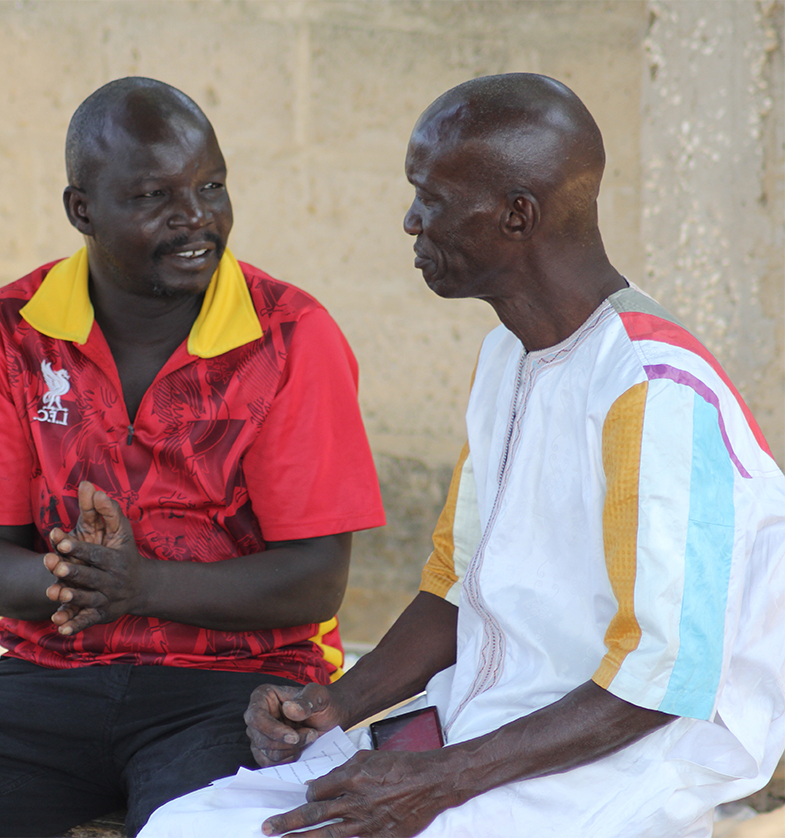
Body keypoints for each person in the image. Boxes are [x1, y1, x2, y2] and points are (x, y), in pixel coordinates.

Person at [139, 73, 785, 838]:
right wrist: (338, 705)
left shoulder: (654, 391)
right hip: (486, 733)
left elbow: (659, 680)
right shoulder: (507, 357)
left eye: (433, 199)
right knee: (188, 825)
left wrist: (438, 782)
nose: (411, 221)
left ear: (518, 216)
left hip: (623, 766)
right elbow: (458, 586)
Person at [0, 78, 386, 838]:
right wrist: (77, 580)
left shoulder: (292, 335)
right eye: (152, 197)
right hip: (49, 683)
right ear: (82, 211)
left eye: (211, 187)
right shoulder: (14, 329)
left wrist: (140, 585)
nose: (194, 218)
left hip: (239, 693)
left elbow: (315, 581)